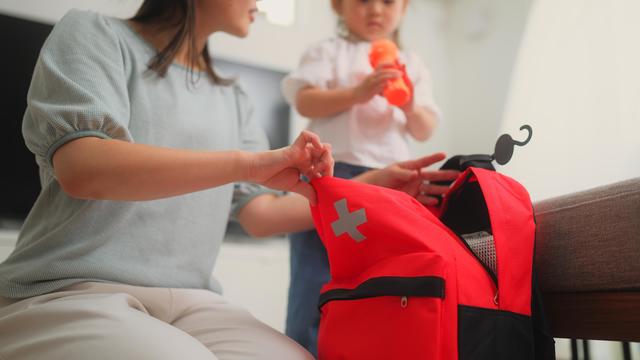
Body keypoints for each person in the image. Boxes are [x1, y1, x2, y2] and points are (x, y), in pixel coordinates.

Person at [0, 1, 457, 359]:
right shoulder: (93, 34)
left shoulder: (233, 98)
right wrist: (247, 163)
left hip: (194, 302)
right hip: (71, 288)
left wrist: (375, 186)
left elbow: (259, 216)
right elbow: (84, 168)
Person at [280, 0, 443, 355]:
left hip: (391, 182)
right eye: (363, 1)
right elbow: (306, 102)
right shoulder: (328, 51)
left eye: (387, 2)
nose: (375, 10)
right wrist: (358, 93)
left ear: (404, 8)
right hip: (332, 175)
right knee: (315, 274)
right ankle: (304, 348)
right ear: (338, 6)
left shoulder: (411, 64)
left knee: (380, 273)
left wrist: (409, 104)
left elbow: (425, 128)